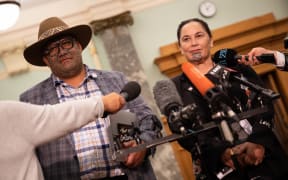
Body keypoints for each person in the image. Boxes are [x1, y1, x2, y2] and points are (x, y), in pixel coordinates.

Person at [20, 17, 162, 180]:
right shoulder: (31, 100)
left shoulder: (117, 80)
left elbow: (148, 119)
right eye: (52, 49)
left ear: (79, 46)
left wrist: (142, 145)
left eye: (66, 43)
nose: (61, 51)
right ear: (45, 59)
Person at [168, 18, 288, 179]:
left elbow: (264, 102)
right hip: (220, 168)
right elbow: (183, 132)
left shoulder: (236, 67)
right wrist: (224, 153)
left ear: (211, 40)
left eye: (199, 36)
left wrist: (258, 141)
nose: (194, 43)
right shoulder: (174, 86)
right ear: (181, 48)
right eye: (186, 39)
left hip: (264, 156)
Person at [0, 93, 125, 180]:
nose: (62, 53)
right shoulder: (7, 112)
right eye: (51, 52)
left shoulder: (114, 78)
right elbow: (52, 117)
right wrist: (101, 104)